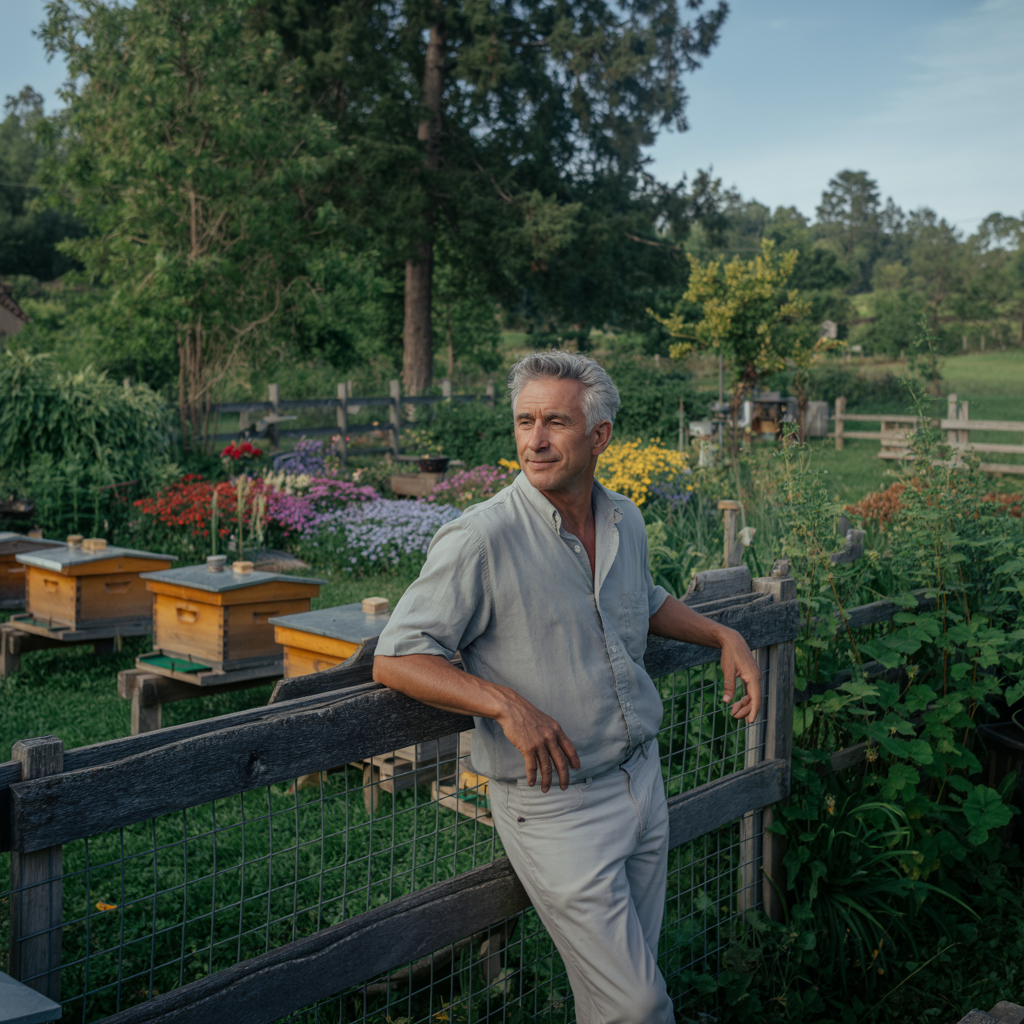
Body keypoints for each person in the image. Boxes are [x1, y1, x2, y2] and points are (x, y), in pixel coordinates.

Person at [374, 351, 762, 1024]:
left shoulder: (624, 521)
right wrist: (504, 703)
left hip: (642, 782)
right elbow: (399, 656)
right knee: (638, 1005)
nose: (535, 439)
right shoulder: (481, 536)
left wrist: (724, 636)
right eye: (525, 421)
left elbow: (643, 599)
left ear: (599, 436)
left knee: (615, 994)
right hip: (555, 806)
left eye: (555, 421)